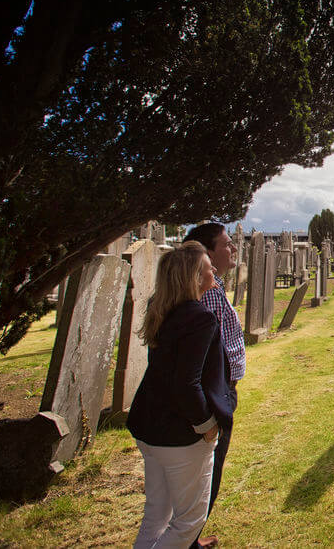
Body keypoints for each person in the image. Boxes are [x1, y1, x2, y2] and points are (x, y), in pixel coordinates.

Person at [128, 241, 233, 548]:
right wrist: (207, 426)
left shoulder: (161, 311)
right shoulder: (199, 318)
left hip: (148, 424)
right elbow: (187, 383)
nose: (213, 269)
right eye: (206, 267)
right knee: (188, 522)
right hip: (180, 434)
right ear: (193, 277)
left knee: (157, 515)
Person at [182, 223, 245, 548]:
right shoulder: (205, 296)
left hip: (220, 389)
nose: (233, 248)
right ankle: (187, 539)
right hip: (213, 394)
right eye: (226, 244)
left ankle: (191, 537)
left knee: (208, 471)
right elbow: (201, 354)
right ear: (206, 253)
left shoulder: (214, 288)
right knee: (206, 469)